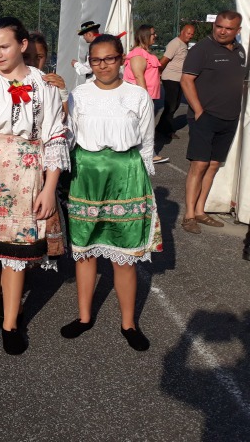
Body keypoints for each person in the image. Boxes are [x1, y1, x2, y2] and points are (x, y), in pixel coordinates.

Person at [0, 16, 69, 355]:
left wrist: (49, 189)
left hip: (25, 177)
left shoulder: (44, 85)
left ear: (22, 45)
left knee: (15, 255)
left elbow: (54, 139)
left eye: (4, 46)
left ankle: (10, 323)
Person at [62, 34, 162, 351]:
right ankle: (83, 316)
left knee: (125, 256)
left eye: (109, 58)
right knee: (85, 250)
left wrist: (143, 181)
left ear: (121, 59)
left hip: (126, 175)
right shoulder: (79, 94)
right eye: (96, 59)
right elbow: (68, 138)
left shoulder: (137, 96)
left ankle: (129, 322)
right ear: (89, 63)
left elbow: (146, 143)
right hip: (87, 177)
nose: (103, 65)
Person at [180, 11, 247, 234]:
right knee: (198, 165)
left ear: (238, 31)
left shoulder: (240, 51)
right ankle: (189, 215)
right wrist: (199, 111)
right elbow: (186, 80)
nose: (222, 31)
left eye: (228, 28)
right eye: (219, 26)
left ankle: (201, 210)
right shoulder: (202, 49)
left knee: (213, 166)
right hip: (205, 117)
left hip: (229, 118)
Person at [123, 24, 167, 164]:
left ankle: (146, 153)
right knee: (141, 125)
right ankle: (147, 154)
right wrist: (145, 98)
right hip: (139, 98)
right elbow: (138, 76)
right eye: (153, 34)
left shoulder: (145, 53)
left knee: (143, 126)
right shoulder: (138, 54)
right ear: (144, 35)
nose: (155, 36)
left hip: (146, 97)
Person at [158, 24, 196, 138]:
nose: (190, 36)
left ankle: (161, 128)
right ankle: (166, 130)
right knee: (171, 106)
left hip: (178, 79)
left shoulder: (183, 44)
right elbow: (164, 60)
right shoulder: (175, 43)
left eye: (192, 34)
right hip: (170, 78)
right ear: (182, 31)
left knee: (175, 105)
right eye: (188, 33)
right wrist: (158, 73)